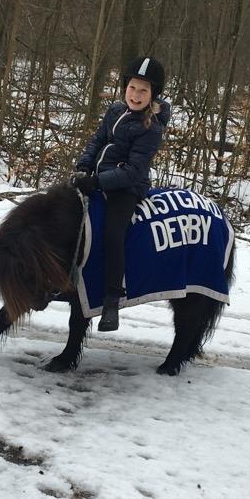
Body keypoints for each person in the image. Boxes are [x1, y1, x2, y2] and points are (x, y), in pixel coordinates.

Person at [71, 56, 170, 332]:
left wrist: (98, 182)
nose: (136, 95)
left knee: (113, 234)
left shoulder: (152, 127)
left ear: (152, 95)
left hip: (126, 189)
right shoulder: (115, 111)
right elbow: (98, 141)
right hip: (96, 180)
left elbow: (132, 171)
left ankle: (112, 300)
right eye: (132, 88)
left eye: (143, 91)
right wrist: (83, 167)